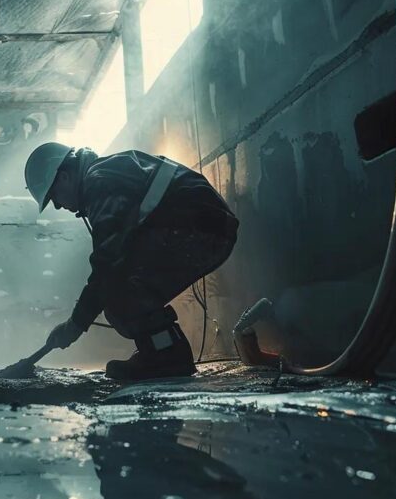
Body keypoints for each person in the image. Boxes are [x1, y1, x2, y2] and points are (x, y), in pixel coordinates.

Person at [25, 142, 238, 380]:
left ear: (64, 177)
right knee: (118, 291)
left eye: (54, 197)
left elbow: (108, 260)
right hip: (205, 226)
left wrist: (76, 323)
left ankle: (168, 356)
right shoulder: (106, 172)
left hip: (200, 229)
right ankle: (163, 352)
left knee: (118, 294)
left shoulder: (99, 180)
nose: (58, 206)